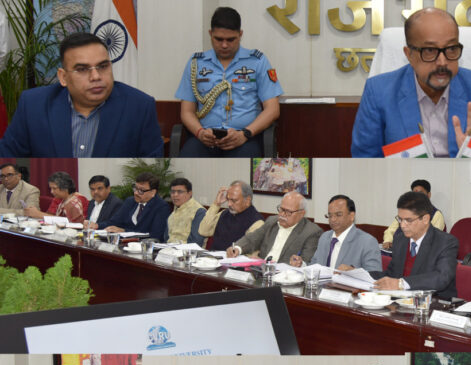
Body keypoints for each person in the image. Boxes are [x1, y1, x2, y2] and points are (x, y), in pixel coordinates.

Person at [351, 7, 471, 158]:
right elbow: (365, 162)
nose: (442, 62)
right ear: (409, 54)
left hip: (464, 177)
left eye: (451, 49)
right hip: (404, 177)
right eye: (430, 51)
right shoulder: (379, 92)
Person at [0, 32, 162, 157]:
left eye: (103, 66)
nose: (96, 77)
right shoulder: (33, 105)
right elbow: (8, 157)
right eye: (82, 69)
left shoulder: (140, 107)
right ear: (63, 77)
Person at [175, 6, 283, 157]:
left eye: (231, 39)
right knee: (186, 157)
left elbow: (272, 110)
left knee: (246, 159)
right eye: (218, 39)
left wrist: (245, 134)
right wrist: (200, 133)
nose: (224, 45)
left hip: (244, 138)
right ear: (210, 34)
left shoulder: (257, 61)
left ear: (240, 34)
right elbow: (187, 111)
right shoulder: (196, 63)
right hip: (205, 137)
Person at [370, 191, 459, 299]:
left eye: (408, 220)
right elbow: (392, 274)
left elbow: (441, 277)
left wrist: (401, 284)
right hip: (400, 301)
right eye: (400, 219)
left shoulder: (445, 242)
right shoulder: (400, 239)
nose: (402, 225)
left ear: (425, 219)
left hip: (433, 303)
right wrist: (357, 274)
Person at [291, 195, 381, 271]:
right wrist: (301, 265)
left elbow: (375, 276)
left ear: (352, 216)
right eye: (330, 215)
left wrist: (353, 272)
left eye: (338, 215)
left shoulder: (367, 242)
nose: (333, 219)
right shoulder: (325, 237)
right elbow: (315, 266)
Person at [227, 191, 322, 263]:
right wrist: (237, 248)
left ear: (301, 213)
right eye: (281, 209)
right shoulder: (272, 221)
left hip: (285, 277)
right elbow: (252, 239)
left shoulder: (312, 232)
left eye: (288, 212)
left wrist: (298, 263)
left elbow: (305, 262)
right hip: (260, 272)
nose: (282, 215)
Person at [90, 172, 170, 241]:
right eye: (135, 188)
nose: (136, 193)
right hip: (124, 244)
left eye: (141, 190)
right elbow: (114, 222)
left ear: (153, 192)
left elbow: (155, 235)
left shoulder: (161, 207)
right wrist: (97, 225)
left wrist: (124, 231)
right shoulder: (130, 201)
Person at [198, 181, 264, 250]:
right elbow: (203, 231)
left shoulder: (257, 222)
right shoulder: (225, 213)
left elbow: (251, 252)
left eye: (234, 200)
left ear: (247, 200)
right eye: (228, 199)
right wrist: (216, 204)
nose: (229, 204)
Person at [382, 179, 445, 250]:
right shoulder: (406, 211)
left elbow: (433, 238)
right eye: (414, 193)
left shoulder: (436, 214)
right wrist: (388, 241)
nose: (417, 197)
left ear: (429, 195)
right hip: (397, 249)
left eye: (421, 193)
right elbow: (390, 230)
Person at [165, 178, 206, 245]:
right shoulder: (173, 213)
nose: (175, 195)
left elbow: (196, 242)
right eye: (173, 192)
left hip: (189, 250)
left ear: (190, 193)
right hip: (169, 249)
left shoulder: (199, 212)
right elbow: (166, 238)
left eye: (179, 192)